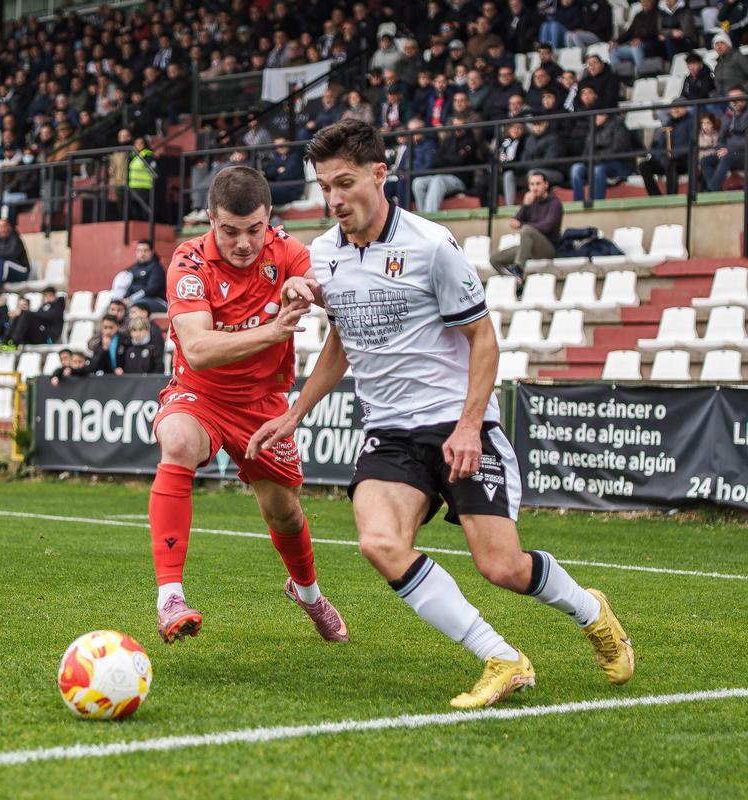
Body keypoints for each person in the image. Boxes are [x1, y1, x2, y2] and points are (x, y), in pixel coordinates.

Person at [249, 120, 633, 709]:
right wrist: (297, 410)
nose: (334, 199)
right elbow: (345, 341)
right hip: (389, 436)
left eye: (345, 183)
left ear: (380, 175)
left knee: (502, 567)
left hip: (456, 426)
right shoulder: (323, 255)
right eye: (325, 186)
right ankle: (502, 658)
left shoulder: (432, 245)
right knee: (379, 542)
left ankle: (590, 609)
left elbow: (484, 341)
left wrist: (469, 426)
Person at [150, 165, 348, 645]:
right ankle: (170, 597)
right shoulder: (189, 263)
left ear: (269, 220)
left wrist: (305, 288)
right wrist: (274, 331)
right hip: (202, 394)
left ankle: (308, 594)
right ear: (211, 221)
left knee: (284, 513)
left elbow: (322, 291)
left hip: (263, 404)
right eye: (230, 231)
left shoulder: (289, 252)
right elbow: (196, 348)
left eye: (254, 230)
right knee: (176, 441)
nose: (243, 242)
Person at [491, 171, 563, 279]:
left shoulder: (554, 203)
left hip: (548, 249)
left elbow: (547, 226)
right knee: (495, 260)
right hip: (528, 248)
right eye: (532, 184)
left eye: (538, 184)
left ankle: (519, 268)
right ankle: (517, 281)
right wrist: (525, 205)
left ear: (546, 185)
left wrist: (522, 224)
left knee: (527, 229)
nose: (534, 188)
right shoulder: (530, 202)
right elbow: (514, 222)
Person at [570, 112, 635, 202]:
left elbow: (619, 148)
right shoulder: (592, 129)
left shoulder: (618, 126)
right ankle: (577, 202)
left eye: (598, 115)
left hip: (618, 164)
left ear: (605, 115)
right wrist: (588, 159)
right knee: (576, 168)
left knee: (599, 169)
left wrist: (598, 156)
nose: (595, 117)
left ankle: (597, 203)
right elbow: (586, 153)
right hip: (595, 163)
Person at [639, 104, 696, 196]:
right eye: (673, 107)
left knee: (671, 163)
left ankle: (671, 197)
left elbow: (692, 144)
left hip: (683, 161)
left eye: (679, 107)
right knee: (644, 165)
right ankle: (656, 197)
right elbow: (658, 146)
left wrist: (671, 157)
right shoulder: (667, 124)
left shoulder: (691, 122)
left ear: (686, 109)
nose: (675, 109)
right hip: (665, 161)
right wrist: (659, 158)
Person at [700, 86, 748, 192]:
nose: (734, 102)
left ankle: (711, 191)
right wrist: (720, 149)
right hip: (730, 153)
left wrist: (729, 150)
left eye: (738, 98)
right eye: (731, 99)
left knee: (727, 157)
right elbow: (721, 140)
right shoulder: (729, 116)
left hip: (744, 154)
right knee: (705, 161)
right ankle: (717, 192)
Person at [110, 240, 167, 313]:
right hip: (135, 300)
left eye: (145, 251)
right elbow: (130, 287)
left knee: (137, 305)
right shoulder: (134, 268)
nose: (142, 254)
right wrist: (124, 299)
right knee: (115, 306)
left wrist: (131, 299)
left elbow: (152, 289)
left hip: (157, 301)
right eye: (139, 251)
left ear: (151, 252)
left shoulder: (156, 268)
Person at [0, 218, 31, 289]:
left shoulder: (15, 238)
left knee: (3, 262)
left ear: (9, 226)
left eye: (3, 226)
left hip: (22, 271)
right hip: (6, 270)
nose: (2, 229)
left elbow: (11, 253)